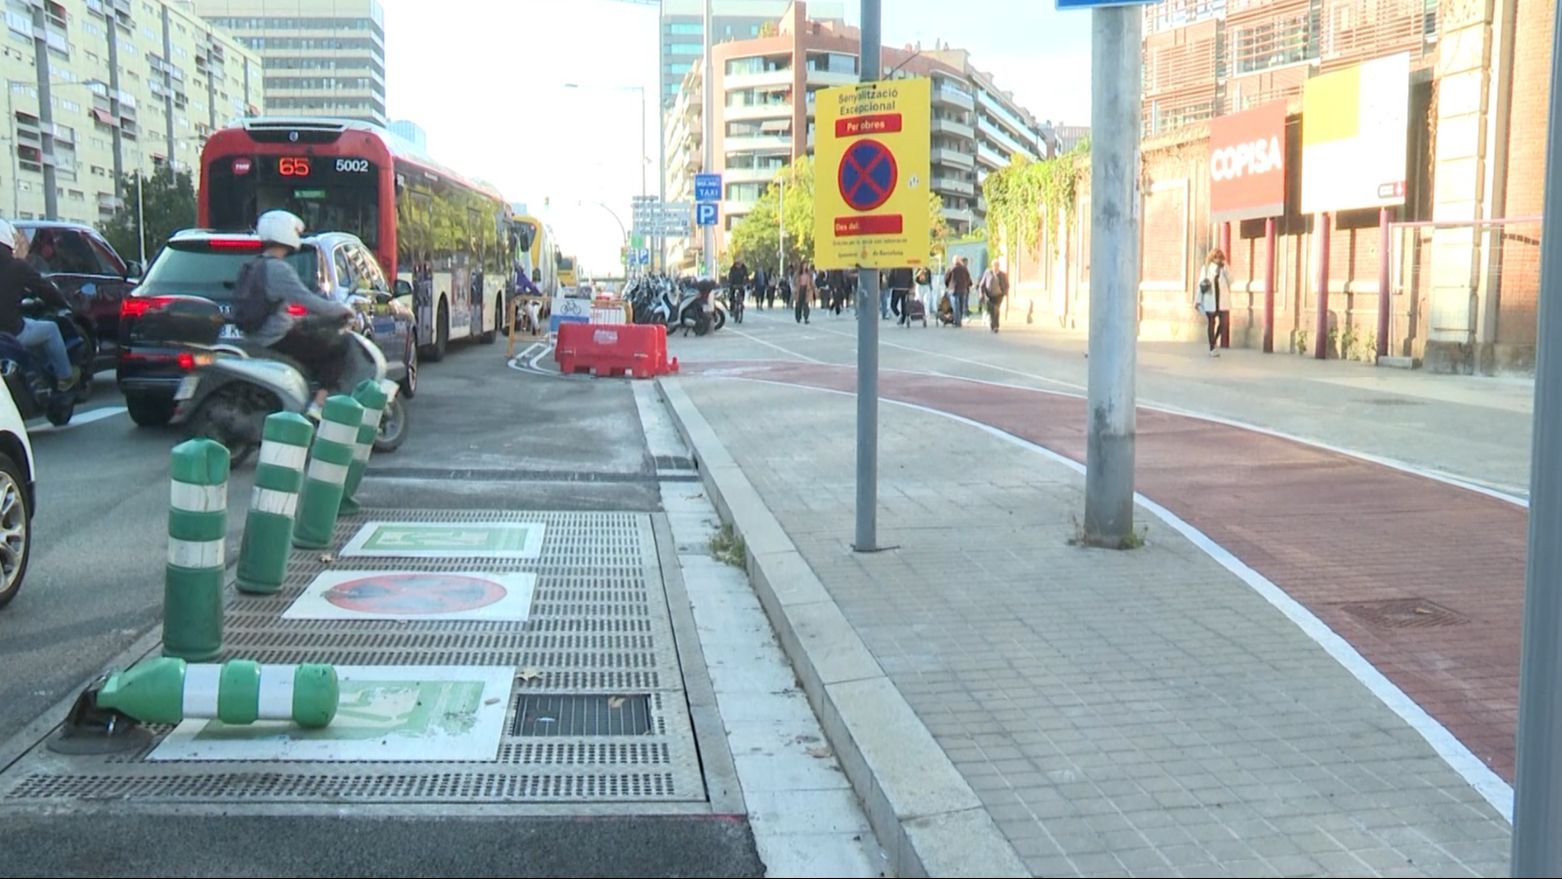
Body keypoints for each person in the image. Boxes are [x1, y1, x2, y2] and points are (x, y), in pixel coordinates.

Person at [244, 210, 354, 419]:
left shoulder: (255, 265)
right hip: (275, 337)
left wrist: (300, 320)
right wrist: (341, 310)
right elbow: (307, 299)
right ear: (285, 233)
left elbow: (273, 306)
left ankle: (306, 391)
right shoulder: (278, 269)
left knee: (309, 338)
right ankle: (317, 406)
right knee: (339, 346)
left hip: (256, 336)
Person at [0, 219, 77, 390]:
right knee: (51, 330)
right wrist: (63, 303)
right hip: (12, 331)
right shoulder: (17, 266)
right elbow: (45, 289)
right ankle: (65, 378)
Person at [1198, 248, 1232, 358]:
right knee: (1211, 323)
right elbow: (1201, 285)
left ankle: (1215, 340)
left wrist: (1225, 268)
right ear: (1212, 258)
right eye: (1216, 257)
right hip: (1210, 299)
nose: (1218, 260)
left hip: (1222, 301)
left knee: (1224, 323)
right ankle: (1212, 347)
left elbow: (1231, 281)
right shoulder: (1206, 268)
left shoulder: (1225, 268)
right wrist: (1197, 301)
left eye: (1220, 257)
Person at [980, 260, 1010, 333]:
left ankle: (995, 326)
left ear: (998, 266)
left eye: (997, 265)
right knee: (991, 310)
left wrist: (1005, 292)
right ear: (992, 266)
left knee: (996, 309)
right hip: (989, 295)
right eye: (994, 266)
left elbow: (1007, 285)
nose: (995, 267)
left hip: (999, 295)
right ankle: (992, 323)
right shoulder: (988, 273)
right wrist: (981, 294)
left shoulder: (1003, 274)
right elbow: (982, 284)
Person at [945, 256, 974, 327]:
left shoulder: (951, 268)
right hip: (963, 289)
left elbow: (946, 279)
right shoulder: (964, 269)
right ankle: (959, 320)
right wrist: (967, 285)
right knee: (961, 306)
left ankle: (957, 322)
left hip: (953, 290)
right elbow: (968, 278)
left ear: (954, 261)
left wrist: (948, 286)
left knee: (955, 306)